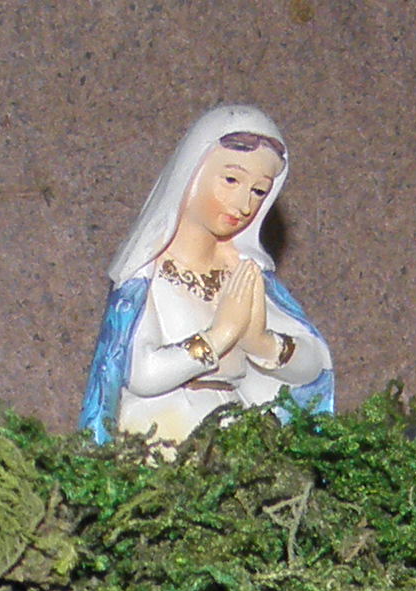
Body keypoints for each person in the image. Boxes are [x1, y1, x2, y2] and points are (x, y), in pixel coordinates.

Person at [83, 108, 335, 447]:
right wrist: (219, 337)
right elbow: (140, 372)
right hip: (164, 432)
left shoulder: (245, 272)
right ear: (191, 172)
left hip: (236, 429)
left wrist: (261, 343)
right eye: (231, 180)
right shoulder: (147, 277)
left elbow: (314, 365)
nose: (244, 205)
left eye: (259, 191)